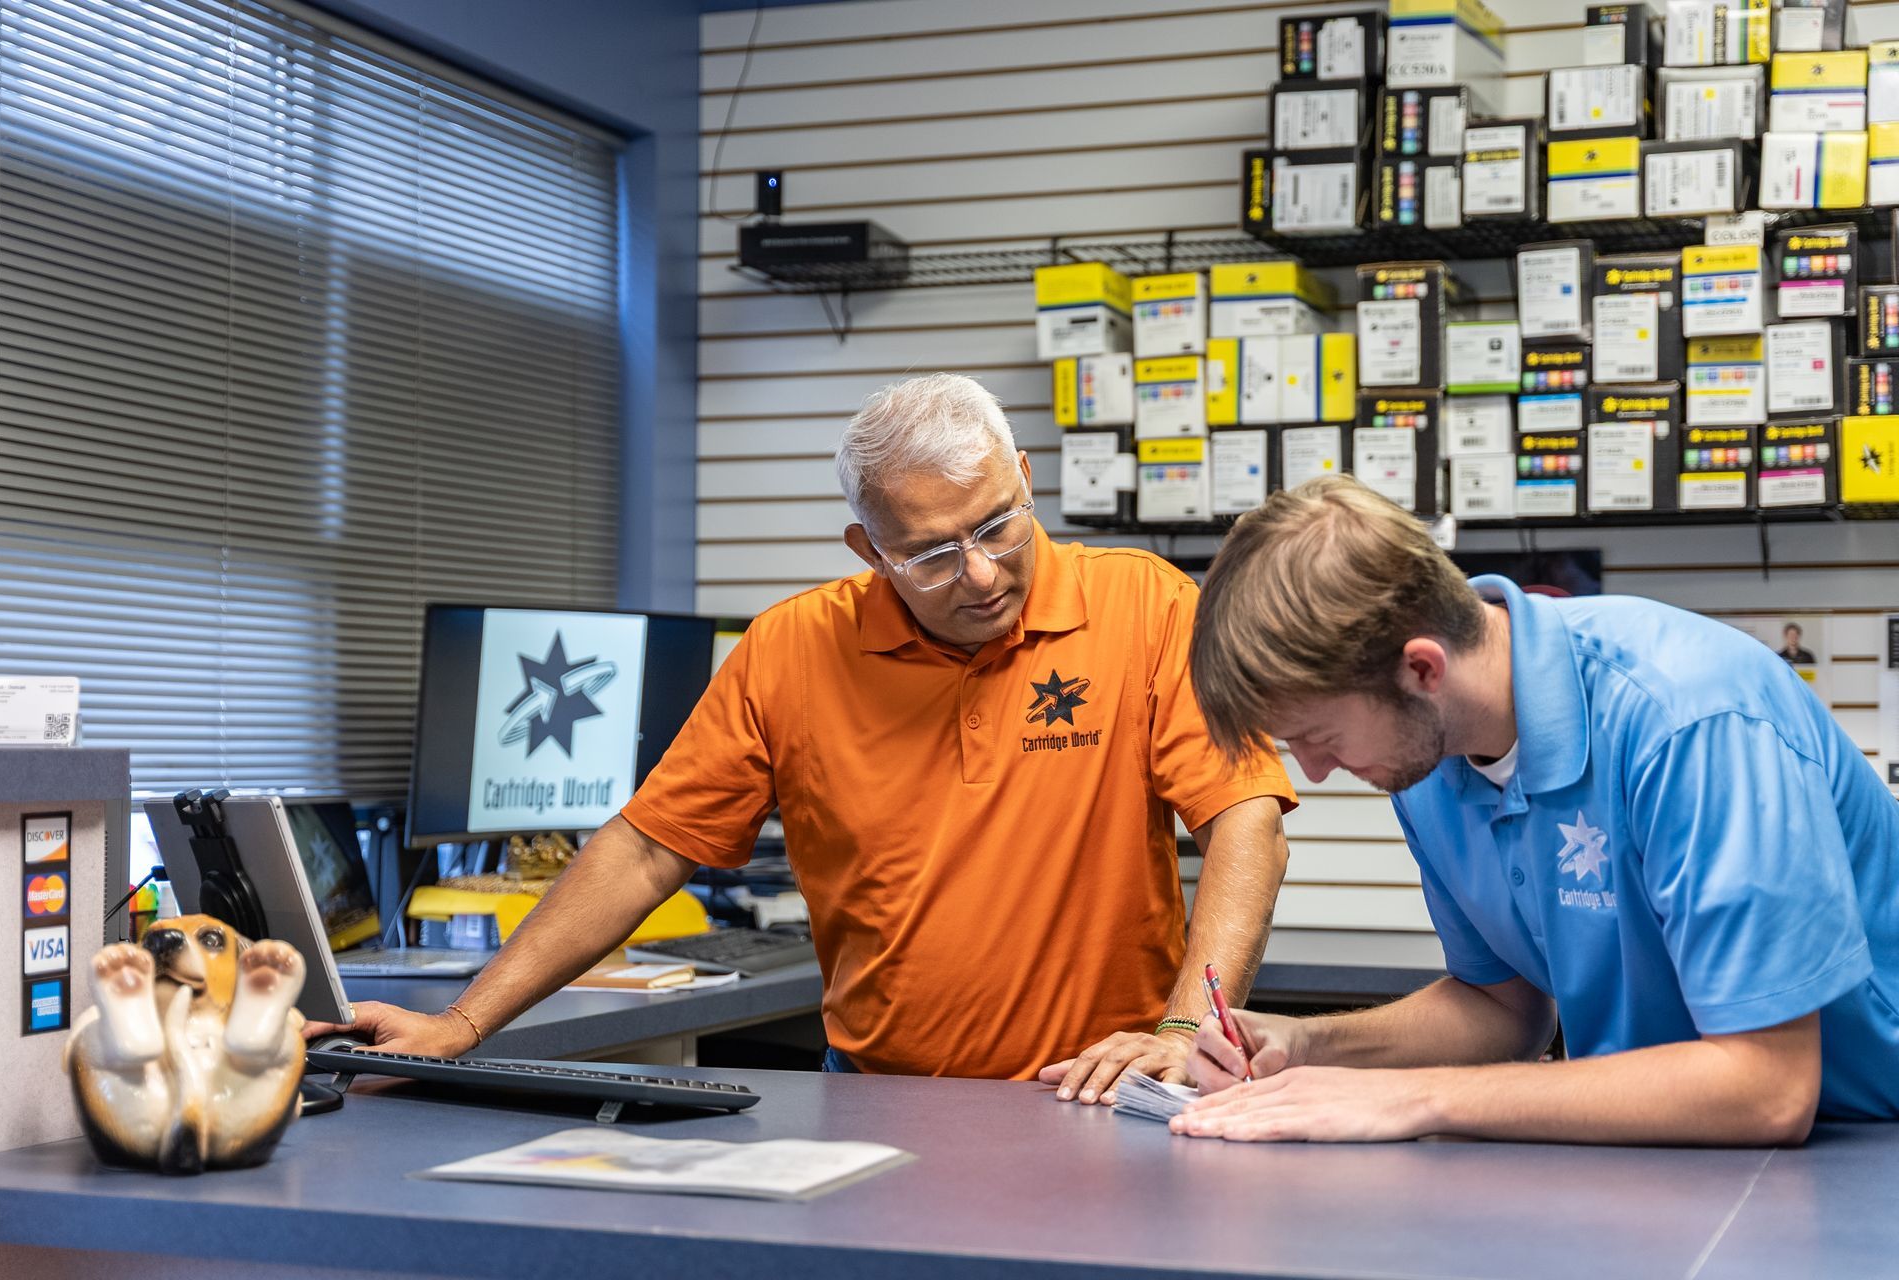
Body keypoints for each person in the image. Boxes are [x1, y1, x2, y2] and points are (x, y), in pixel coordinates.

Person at [314, 374, 1296, 1102]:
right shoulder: (793, 648)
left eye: (999, 526)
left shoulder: (1149, 606)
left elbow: (1245, 817)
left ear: (1026, 478)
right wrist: (461, 1020)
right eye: (932, 553)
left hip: (1099, 1086)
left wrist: (1186, 1028)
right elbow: (650, 846)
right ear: (869, 549)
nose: (983, 573)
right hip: (872, 1090)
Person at [1172, 475, 1899, 1146]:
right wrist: (1310, 1046)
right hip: (1666, 1151)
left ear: (1422, 669)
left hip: (1862, 1147)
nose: (1321, 771)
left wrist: (1412, 1097)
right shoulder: (1429, 759)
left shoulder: (1692, 719)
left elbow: (1767, 1087)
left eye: (1320, 737)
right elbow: (1504, 1011)